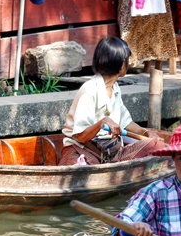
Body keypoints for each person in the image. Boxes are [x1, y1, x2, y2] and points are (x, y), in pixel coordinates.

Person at [59, 37, 168, 166]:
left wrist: (146, 133)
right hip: (83, 149)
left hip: (110, 151)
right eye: (127, 60)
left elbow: (125, 121)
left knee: (156, 145)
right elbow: (81, 137)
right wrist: (102, 122)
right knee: (84, 169)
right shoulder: (89, 89)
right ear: (121, 64)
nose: (128, 63)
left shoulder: (115, 88)